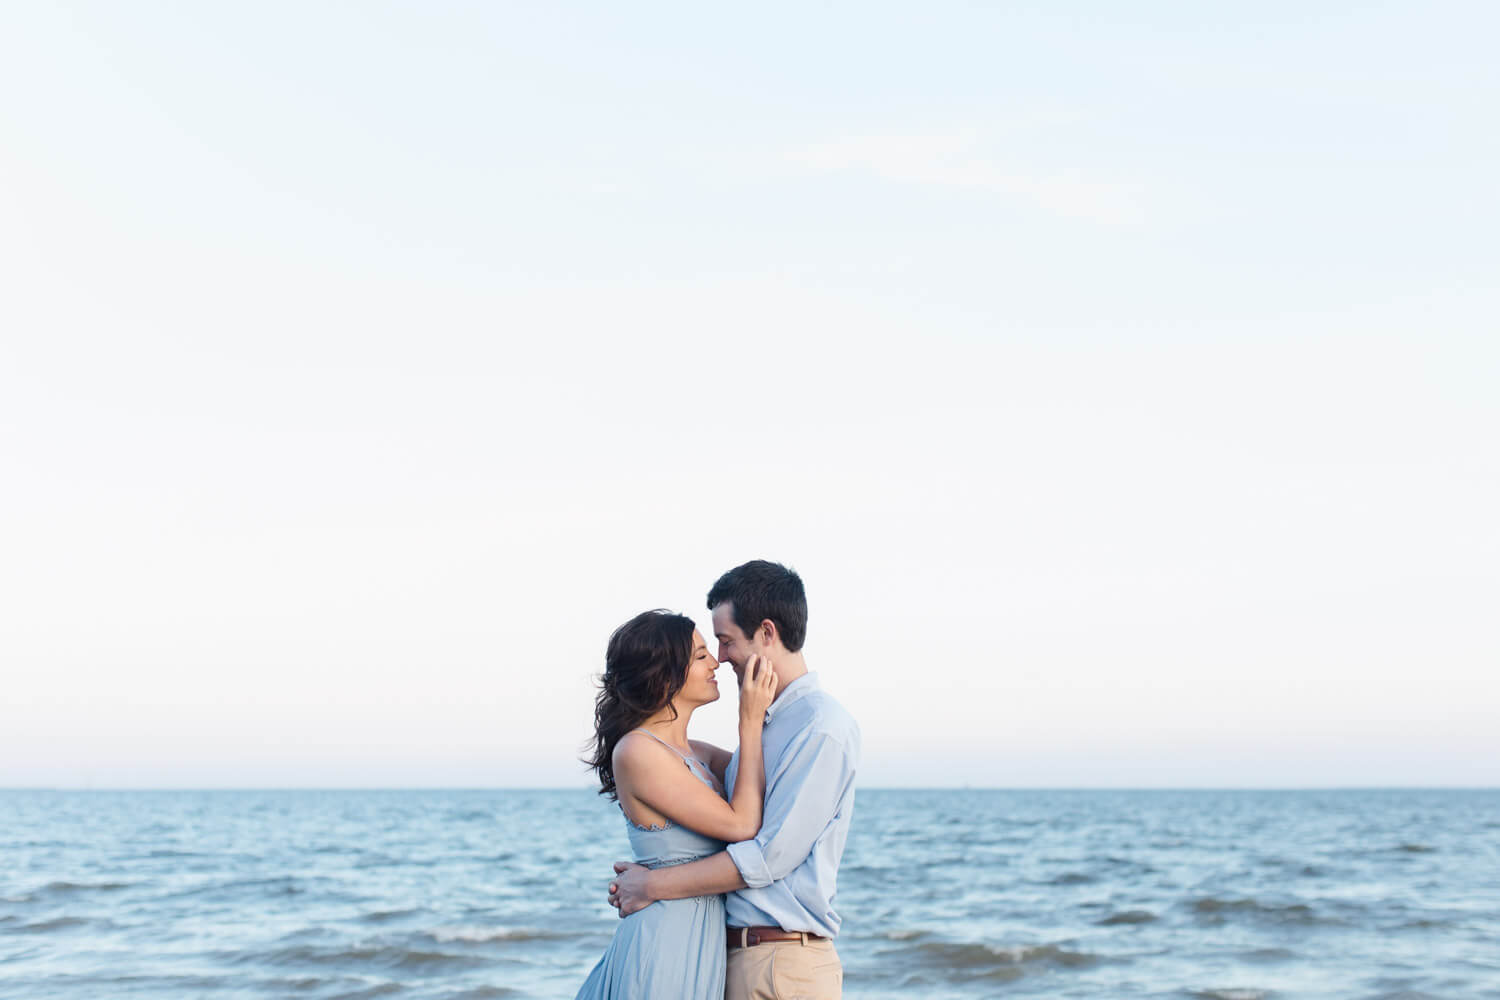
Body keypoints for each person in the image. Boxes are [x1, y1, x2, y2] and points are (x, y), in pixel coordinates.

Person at [609, 561, 861, 1000]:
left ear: (767, 633)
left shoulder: (820, 727)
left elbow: (767, 856)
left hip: (780, 963)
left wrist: (652, 884)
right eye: (708, 650)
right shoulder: (768, 723)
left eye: (724, 642)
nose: (721, 659)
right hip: (729, 957)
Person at [575, 609, 778, 999]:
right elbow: (741, 825)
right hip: (664, 943)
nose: (716, 662)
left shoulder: (697, 754)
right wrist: (748, 721)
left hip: (700, 942)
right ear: (665, 675)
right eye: (701, 656)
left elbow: (762, 780)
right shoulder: (638, 751)